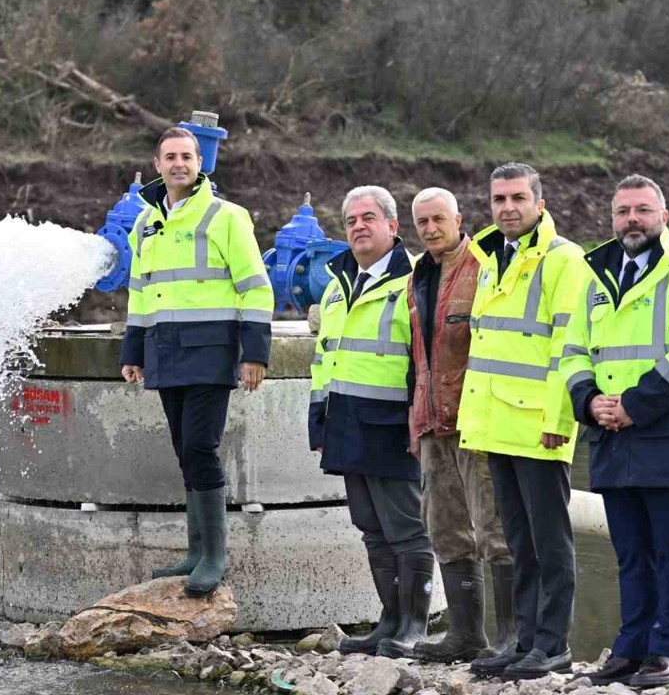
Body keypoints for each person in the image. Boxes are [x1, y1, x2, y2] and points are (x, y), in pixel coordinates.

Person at [562, 175, 669, 687]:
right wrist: (589, 402)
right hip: (611, 433)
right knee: (631, 553)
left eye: (642, 210)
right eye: (622, 211)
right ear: (612, 218)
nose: (632, 219)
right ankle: (630, 649)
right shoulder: (594, 279)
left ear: (664, 217)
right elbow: (572, 352)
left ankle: (667, 652)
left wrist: (633, 406)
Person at [119, 126, 274, 597]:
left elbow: (255, 286)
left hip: (211, 350)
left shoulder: (226, 216)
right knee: (184, 449)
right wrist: (133, 351)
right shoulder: (145, 223)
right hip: (165, 350)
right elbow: (140, 291)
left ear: (199, 162)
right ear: (157, 164)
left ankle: (214, 557)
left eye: (187, 156)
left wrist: (255, 354)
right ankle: (195, 550)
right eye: (170, 157)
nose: (179, 164)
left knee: (201, 446)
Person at [458, 163, 589, 679]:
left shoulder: (563, 259)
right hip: (497, 424)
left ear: (539, 202)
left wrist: (560, 417)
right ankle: (526, 640)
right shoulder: (491, 257)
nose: (508, 207)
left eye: (517, 198)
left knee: (550, 543)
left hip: (540, 426)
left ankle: (554, 644)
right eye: (499, 199)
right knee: (519, 542)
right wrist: (475, 421)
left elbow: (570, 346)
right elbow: (489, 345)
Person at [308, 185, 434, 658]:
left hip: (394, 426)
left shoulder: (414, 280)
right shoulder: (336, 284)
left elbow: (425, 360)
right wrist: (319, 421)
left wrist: (420, 422)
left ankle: (414, 627)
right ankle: (390, 621)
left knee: (407, 529)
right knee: (371, 528)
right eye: (351, 221)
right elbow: (324, 360)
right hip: (346, 422)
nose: (358, 227)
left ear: (392, 226)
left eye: (368, 218)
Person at [403, 187, 516, 664]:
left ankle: (512, 637)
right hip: (432, 421)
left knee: (496, 528)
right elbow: (417, 356)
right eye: (422, 222)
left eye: (439, 219)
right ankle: (466, 635)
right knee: (445, 527)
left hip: (477, 420)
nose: (431, 229)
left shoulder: (484, 267)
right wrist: (415, 421)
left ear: (459, 219)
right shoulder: (417, 275)